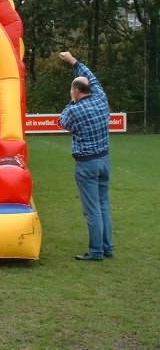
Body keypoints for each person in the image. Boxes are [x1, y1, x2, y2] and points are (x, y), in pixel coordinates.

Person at [58, 51, 113, 261]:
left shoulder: (75, 110)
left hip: (86, 164)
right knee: (103, 204)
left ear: (75, 91)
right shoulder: (100, 97)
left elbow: (62, 122)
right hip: (105, 159)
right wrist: (74, 61)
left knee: (92, 210)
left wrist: (71, 102)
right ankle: (107, 247)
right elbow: (92, 77)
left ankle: (96, 250)